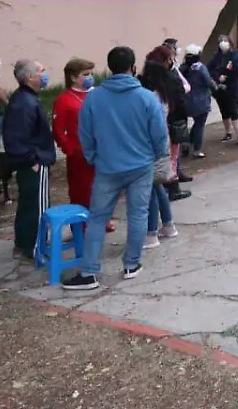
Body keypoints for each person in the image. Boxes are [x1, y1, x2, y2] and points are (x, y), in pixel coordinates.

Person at [64, 46, 169, 291]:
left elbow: (85, 134)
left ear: (109, 68)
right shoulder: (146, 97)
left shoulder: (94, 97)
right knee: (138, 214)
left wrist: (93, 157)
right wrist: (153, 156)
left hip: (107, 167)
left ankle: (89, 271)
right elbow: (160, 136)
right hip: (140, 166)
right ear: (133, 68)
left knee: (98, 217)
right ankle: (131, 264)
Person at [51, 58, 115, 233]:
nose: (90, 77)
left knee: (103, 188)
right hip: (79, 153)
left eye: (91, 74)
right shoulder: (64, 100)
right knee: (82, 190)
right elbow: (58, 129)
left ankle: (103, 219)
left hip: (101, 149)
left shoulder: (95, 94)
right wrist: (69, 149)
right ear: (73, 77)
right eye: (85, 74)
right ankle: (82, 224)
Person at [3, 59, 57, 262]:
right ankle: (37, 247)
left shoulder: (27, 99)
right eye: (41, 70)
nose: (45, 74)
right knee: (38, 206)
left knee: (28, 204)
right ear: (29, 77)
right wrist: (32, 160)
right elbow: (16, 137)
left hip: (33, 160)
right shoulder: (24, 102)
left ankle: (24, 243)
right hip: (34, 162)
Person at [138, 55, 184, 248]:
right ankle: (168, 224)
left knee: (151, 188)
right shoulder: (162, 93)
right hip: (160, 143)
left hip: (151, 145)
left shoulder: (151, 97)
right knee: (157, 186)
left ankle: (151, 233)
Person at [144, 46, 192, 201]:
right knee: (171, 155)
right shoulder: (168, 79)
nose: (173, 62)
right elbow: (181, 94)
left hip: (153, 126)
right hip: (171, 123)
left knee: (160, 157)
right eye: (170, 59)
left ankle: (163, 185)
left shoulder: (145, 79)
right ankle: (172, 187)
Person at [210, 35, 238, 146]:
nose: (223, 43)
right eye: (220, 41)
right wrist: (217, 77)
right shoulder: (217, 57)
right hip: (220, 89)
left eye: (225, 41)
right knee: (224, 111)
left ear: (230, 42)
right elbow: (210, 69)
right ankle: (228, 133)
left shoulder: (234, 55)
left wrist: (226, 76)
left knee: (233, 110)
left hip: (233, 88)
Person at [180, 44, 216, 159]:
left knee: (184, 125)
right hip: (200, 102)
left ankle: (185, 144)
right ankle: (197, 150)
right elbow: (209, 83)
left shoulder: (182, 68)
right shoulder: (200, 68)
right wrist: (216, 87)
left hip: (184, 101)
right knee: (199, 125)